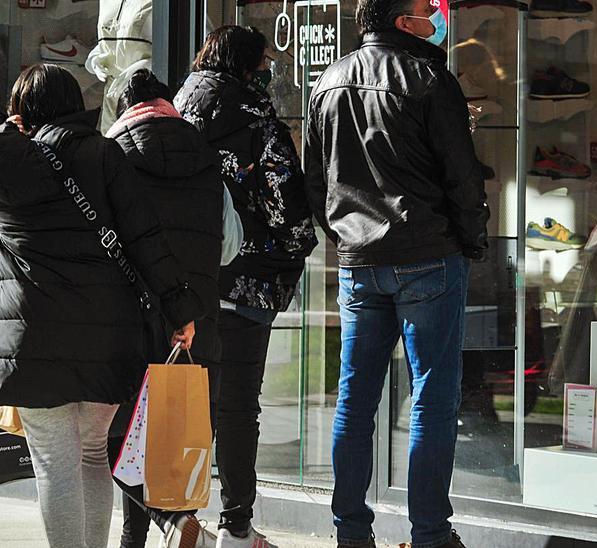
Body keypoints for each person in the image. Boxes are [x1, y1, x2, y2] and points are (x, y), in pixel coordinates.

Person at [0, 64, 205, 548]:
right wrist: (179, 307)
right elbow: (145, 237)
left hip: (33, 340)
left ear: (22, 112)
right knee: (92, 455)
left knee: (54, 462)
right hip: (108, 335)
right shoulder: (105, 154)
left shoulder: (8, 164)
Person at [303, 0, 490, 546]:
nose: (434, 14)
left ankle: (350, 532)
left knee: (355, 399)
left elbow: (316, 181)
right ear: (400, 22)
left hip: (360, 260)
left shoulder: (328, 83)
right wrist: (471, 240)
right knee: (431, 398)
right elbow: (463, 177)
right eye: (423, 9)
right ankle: (430, 533)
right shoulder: (430, 77)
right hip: (427, 253)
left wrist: (342, 234)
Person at [175, 25, 320, 548]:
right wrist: (296, 246)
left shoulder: (177, 111)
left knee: (186, 405)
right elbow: (291, 213)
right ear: (246, 65)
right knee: (238, 407)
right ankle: (236, 527)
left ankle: (178, 518)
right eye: (264, 61)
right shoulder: (258, 124)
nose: (269, 70)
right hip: (247, 287)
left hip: (185, 286)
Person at [103, 69, 245, 548]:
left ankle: (145, 532)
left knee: (126, 437)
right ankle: (178, 521)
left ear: (123, 110)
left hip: (130, 318)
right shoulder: (206, 157)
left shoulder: (111, 157)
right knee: (181, 433)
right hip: (197, 318)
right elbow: (229, 245)